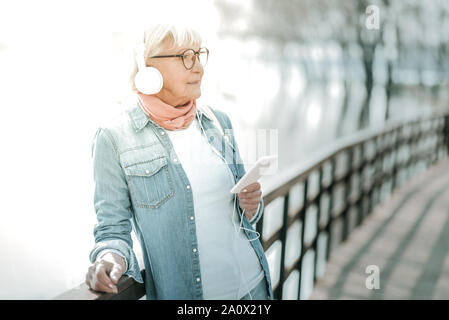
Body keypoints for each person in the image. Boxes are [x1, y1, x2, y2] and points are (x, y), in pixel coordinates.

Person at [84, 23, 274, 300]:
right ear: (147, 67)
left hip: (256, 288)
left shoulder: (218, 122)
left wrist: (252, 205)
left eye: (199, 55)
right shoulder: (113, 138)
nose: (198, 67)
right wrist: (108, 260)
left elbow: (247, 215)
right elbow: (112, 228)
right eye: (186, 56)